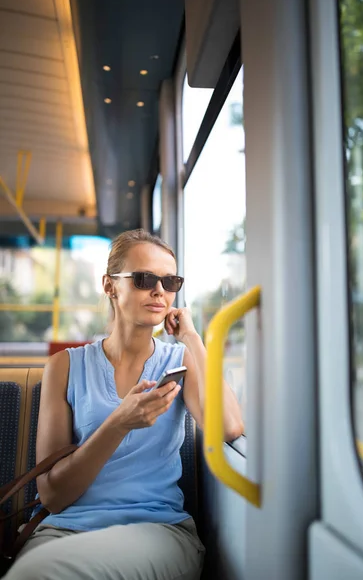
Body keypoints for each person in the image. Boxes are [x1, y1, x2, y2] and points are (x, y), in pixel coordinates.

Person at [5, 229, 244, 580]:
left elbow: (229, 427)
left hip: (155, 528)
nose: (159, 290)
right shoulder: (65, 367)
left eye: (170, 281)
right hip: (63, 529)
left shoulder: (180, 362)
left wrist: (192, 338)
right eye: (144, 279)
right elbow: (53, 496)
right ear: (109, 286)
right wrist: (119, 423)